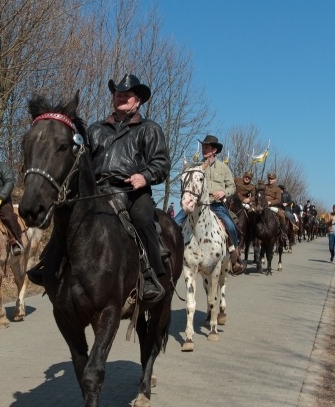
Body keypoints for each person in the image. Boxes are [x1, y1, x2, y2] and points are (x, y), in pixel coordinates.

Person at [88, 74, 173, 300]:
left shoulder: (149, 129)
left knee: (143, 219)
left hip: (133, 192)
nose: (121, 98)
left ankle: (151, 275)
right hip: (97, 190)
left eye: (127, 95)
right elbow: (83, 162)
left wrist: (145, 176)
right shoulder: (95, 129)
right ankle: (49, 263)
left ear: (138, 101)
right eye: (118, 94)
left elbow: (161, 163)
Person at [175, 135, 244, 275]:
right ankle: (172, 254)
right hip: (197, 205)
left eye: (206, 147)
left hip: (216, 205)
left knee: (231, 226)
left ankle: (235, 258)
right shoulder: (197, 167)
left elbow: (232, 187)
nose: (203, 149)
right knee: (174, 222)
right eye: (203, 147)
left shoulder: (223, 168)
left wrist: (223, 192)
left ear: (214, 150)